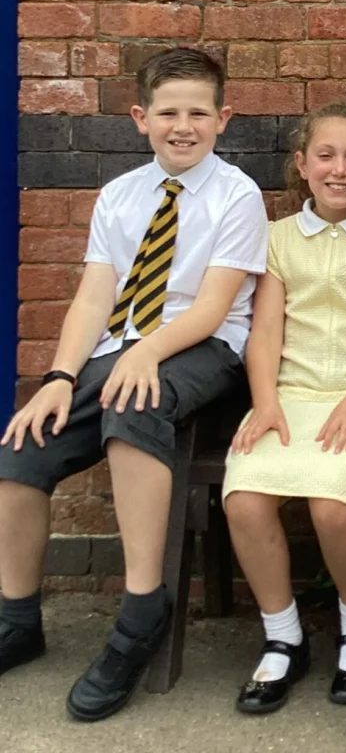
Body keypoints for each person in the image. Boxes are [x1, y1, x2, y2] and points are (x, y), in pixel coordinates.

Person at [0, 48, 268, 720]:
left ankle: (142, 609)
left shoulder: (236, 195)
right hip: (118, 348)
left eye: (198, 113)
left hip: (203, 348)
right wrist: (59, 377)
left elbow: (213, 306)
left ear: (222, 118)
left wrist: (147, 354)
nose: (184, 126)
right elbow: (95, 298)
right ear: (140, 118)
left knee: (132, 407)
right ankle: (18, 619)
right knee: (21, 453)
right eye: (169, 112)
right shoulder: (119, 195)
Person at [222, 103, 346, 714]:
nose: (339, 169)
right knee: (244, 496)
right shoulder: (277, 239)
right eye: (325, 156)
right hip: (290, 397)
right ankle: (284, 636)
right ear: (302, 165)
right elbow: (266, 332)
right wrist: (265, 402)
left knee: (333, 502)